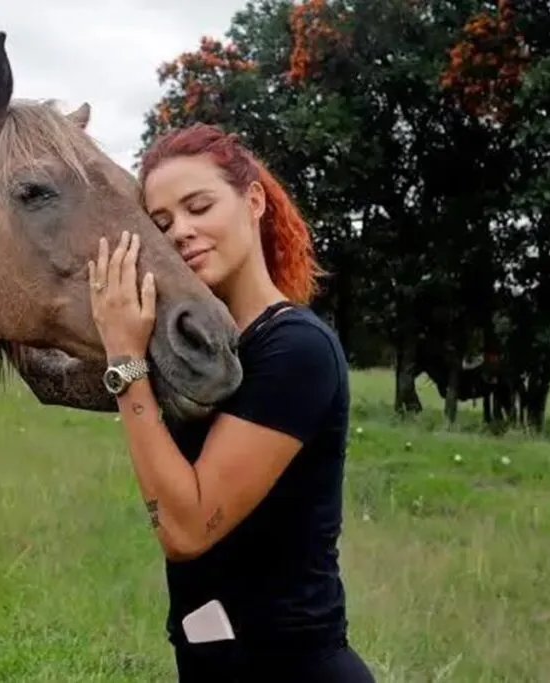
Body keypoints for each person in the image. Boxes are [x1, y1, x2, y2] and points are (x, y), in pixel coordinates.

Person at [87, 122, 375, 682]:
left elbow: (187, 528)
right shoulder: (199, 354)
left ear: (254, 201)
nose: (182, 233)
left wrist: (124, 358)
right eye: (162, 223)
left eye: (200, 206)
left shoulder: (296, 350)